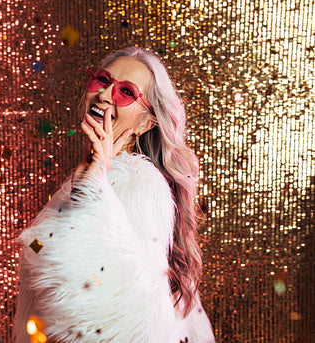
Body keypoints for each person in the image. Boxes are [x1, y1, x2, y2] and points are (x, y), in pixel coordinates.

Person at [13, 47, 215, 342]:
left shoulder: (134, 180)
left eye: (126, 92)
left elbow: (117, 310)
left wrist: (92, 186)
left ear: (146, 123)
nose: (105, 96)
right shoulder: (97, 177)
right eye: (103, 81)